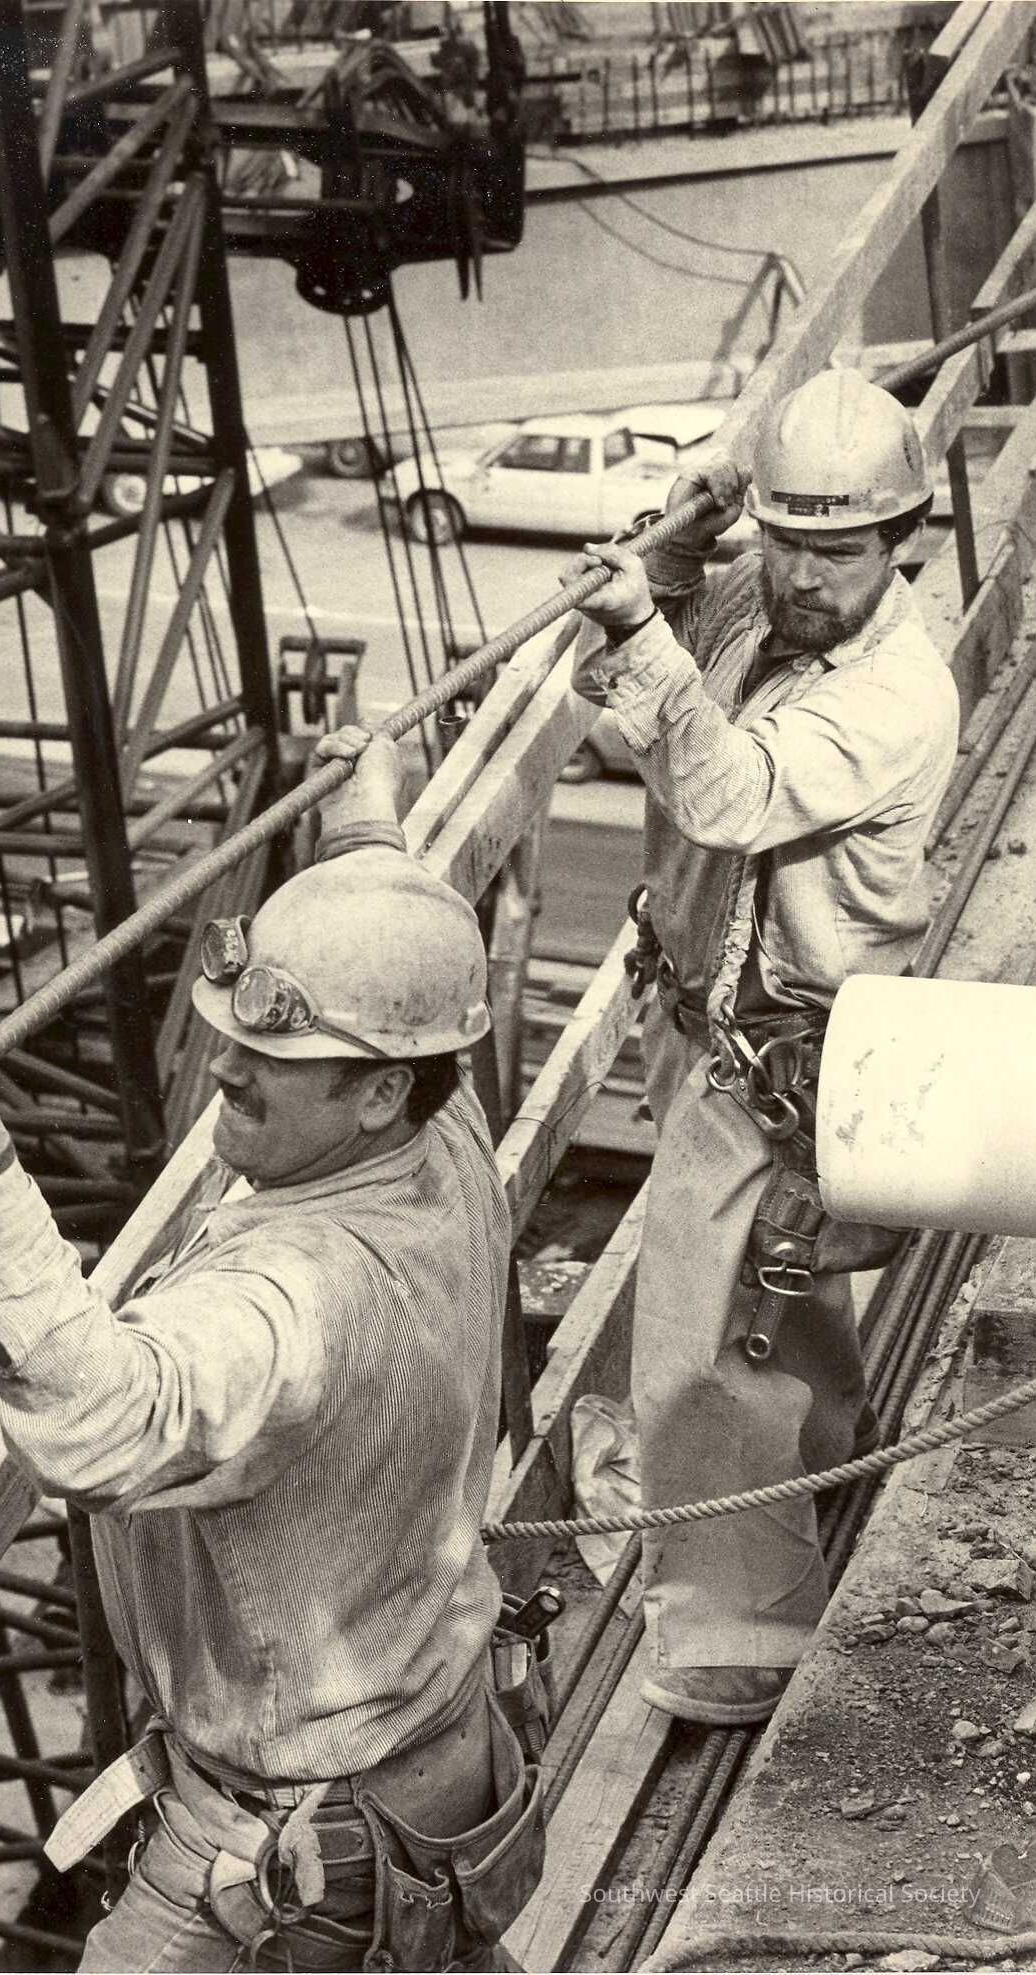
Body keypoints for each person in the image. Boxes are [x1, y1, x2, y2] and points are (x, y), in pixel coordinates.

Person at [0, 728, 544, 1973]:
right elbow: (394, 963)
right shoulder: (442, 1137)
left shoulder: (298, 1298)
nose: (223, 1062)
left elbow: (104, 1423)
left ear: (379, 1091)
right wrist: (365, 817)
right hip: (443, 1760)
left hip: (295, 1840)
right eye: (232, 1030)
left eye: (271, 1058)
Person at [565, 367, 960, 1726]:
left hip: (787, 1053)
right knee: (779, 1283)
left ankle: (738, 1633)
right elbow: (614, 691)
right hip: (708, 1012)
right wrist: (672, 559)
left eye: (835, 550)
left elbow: (727, 795)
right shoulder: (752, 596)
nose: (800, 573)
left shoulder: (892, 690)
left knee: (698, 1345)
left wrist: (645, 622)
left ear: (899, 538)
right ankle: (829, 1452)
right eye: (783, 537)